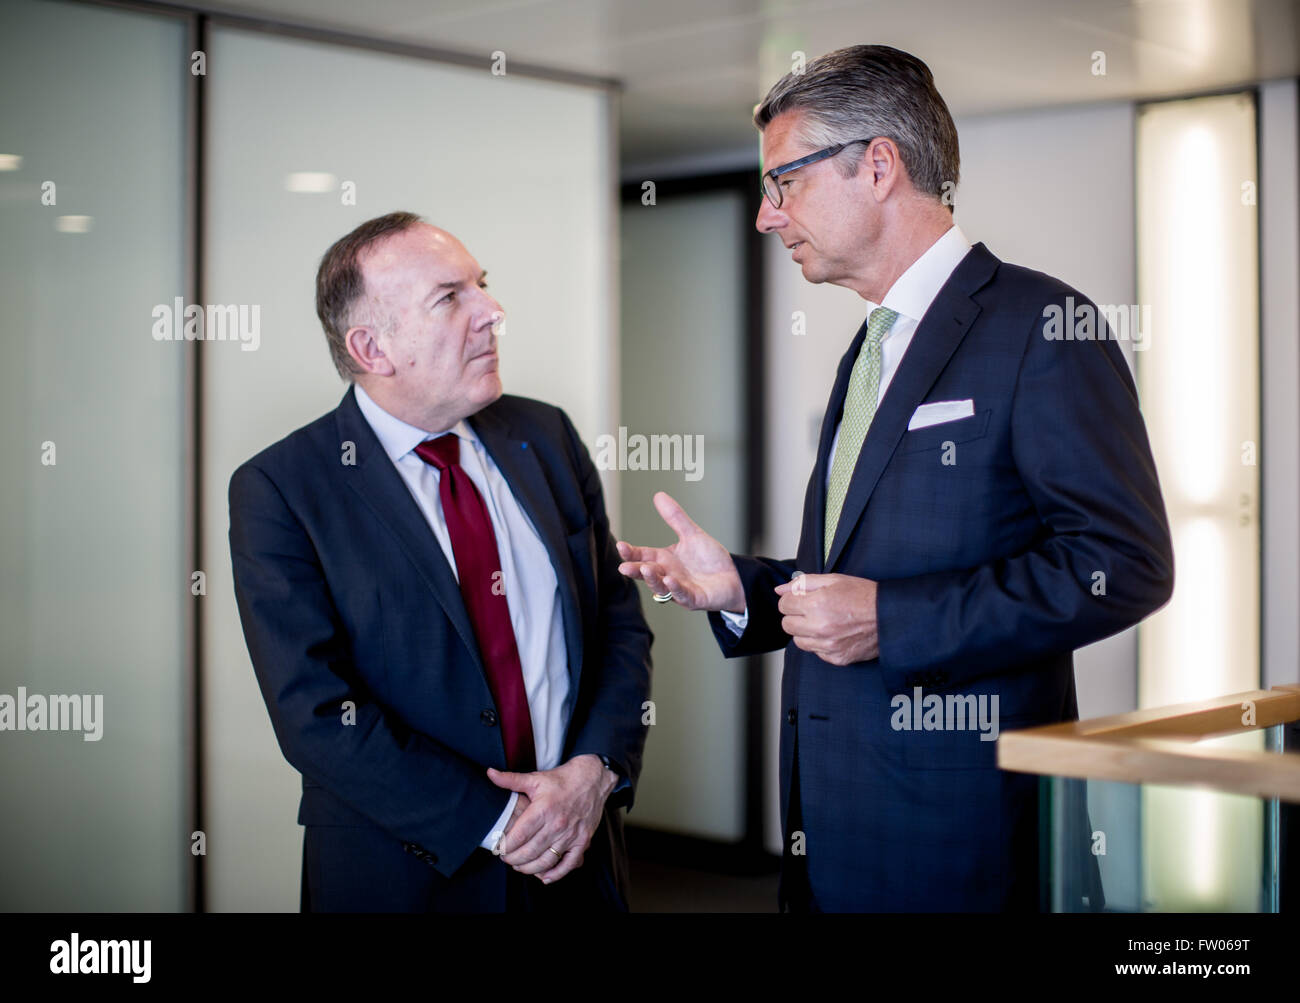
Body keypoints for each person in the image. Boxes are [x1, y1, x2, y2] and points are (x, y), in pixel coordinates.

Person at [617, 45, 1173, 911]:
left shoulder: (1040, 327)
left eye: (784, 183)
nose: (767, 217)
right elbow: (861, 572)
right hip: (830, 823)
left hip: (959, 832)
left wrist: (891, 620)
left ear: (878, 166)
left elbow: (1123, 563)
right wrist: (744, 590)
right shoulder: (871, 345)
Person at [229, 212, 652, 912]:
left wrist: (594, 772)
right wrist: (502, 821)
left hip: (578, 856)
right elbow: (315, 710)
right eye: (450, 297)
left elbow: (617, 623)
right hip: (408, 874)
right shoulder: (284, 488)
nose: (493, 312)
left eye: (481, 286)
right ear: (373, 347)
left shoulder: (544, 436)